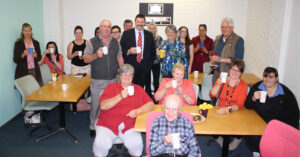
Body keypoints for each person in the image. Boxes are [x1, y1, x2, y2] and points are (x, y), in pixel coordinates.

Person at [93, 64, 154, 157]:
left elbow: (151, 104)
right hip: (107, 123)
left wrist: (138, 111)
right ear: (120, 76)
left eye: (130, 74)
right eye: (124, 74)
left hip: (129, 125)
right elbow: (103, 106)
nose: (127, 76)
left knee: (136, 145)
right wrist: (120, 96)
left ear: (133, 77)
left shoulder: (138, 89)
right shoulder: (111, 87)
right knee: (101, 145)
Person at [244, 67, 299, 156]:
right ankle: (256, 151)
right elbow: (247, 105)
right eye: (265, 76)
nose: (267, 79)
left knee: (274, 141)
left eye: (271, 77)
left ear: (276, 78)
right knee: (248, 130)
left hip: (278, 123)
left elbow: (295, 114)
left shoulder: (285, 93)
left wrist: (287, 132)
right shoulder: (257, 87)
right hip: (259, 120)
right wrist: (253, 98)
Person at [83, 20, 124, 137]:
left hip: (113, 79)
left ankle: (108, 125)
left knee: (112, 105)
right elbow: (85, 59)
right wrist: (96, 55)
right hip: (98, 80)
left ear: (110, 29)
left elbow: (119, 57)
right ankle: (92, 126)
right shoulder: (92, 42)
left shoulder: (115, 42)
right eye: (104, 26)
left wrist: (123, 73)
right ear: (100, 28)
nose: (106, 29)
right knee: (96, 105)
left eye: (108, 27)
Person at [208, 59, 248, 150]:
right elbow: (212, 95)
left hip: (235, 111)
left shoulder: (243, 85)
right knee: (209, 125)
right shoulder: (222, 80)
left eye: (238, 70)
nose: (235, 72)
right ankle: (220, 139)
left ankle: (237, 138)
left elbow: (240, 104)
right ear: (229, 70)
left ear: (241, 73)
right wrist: (218, 84)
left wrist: (227, 110)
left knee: (240, 128)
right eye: (233, 69)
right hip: (220, 109)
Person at [120, 14, 156, 88]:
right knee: (129, 88)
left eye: (142, 22)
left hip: (144, 67)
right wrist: (129, 51)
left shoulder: (149, 35)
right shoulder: (126, 34)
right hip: (130, 67)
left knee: (140, 89)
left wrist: (148, 66)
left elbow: (153, 53)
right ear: (135, 22)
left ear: (145, 22)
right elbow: (121, 50)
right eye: (138, 22)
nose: (140, 24)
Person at [211, 17, 244, 84]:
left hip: (229, 74)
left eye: (226, 27)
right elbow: (214, 53)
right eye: (222, 27)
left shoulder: (238, 40)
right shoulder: (218, 38)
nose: (224, 29)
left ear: (232, 28)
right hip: (216, 73)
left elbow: (239, 59)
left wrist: (221, 60)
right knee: (215, 93)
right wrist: (213, 61)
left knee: (226, 94)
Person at [145, 22, 163, 98]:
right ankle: (148, 96)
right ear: (148, 29)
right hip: (147, 62)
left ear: (156, 29)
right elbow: (144, 51)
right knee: (147, 81)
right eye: (150, 28)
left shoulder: (159, 38)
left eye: (153, 28)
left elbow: (162, 49)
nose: (152, 30)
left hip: (156, 62)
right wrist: (153, 52)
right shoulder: (145, 38)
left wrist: (160, 52)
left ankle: (157, 96)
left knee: (156, 81)